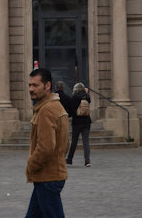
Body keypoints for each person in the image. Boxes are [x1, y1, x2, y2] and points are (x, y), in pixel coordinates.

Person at [25, 67, 68, 218]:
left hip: (48, 178)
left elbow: (46, 147)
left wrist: (31, 165)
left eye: (35, 85)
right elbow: (65, 144)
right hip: (48, 176)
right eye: (30, 85)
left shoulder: (46, 110)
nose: (31, 89)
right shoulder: (55, 106)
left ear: (47, 85)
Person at [66, 81, 92, 167]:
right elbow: (89, 100)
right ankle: (87, 161)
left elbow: (71, 110)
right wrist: (86, 92)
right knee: (86, 142)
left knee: (74, 141)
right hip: (86, 121)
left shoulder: (74, 97)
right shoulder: (87, 97)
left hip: (77, 122)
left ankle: (69, 159)